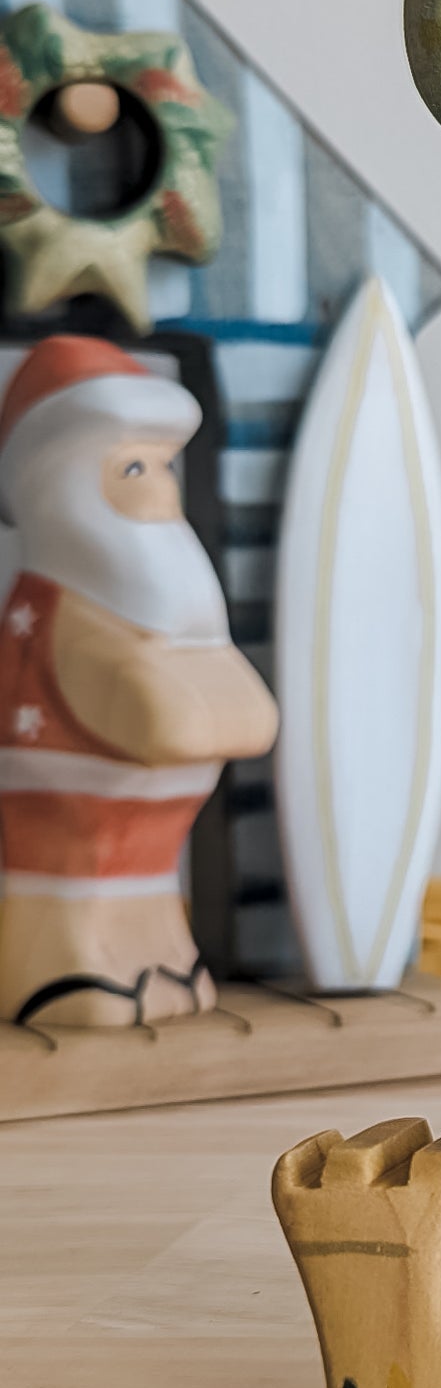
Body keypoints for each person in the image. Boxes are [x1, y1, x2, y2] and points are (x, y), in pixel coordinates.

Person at [0, 336, 278, 1027]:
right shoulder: (65, 613)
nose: (157, 488)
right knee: (78, 920)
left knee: (154, 913)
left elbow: (252, 720)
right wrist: (196, 695)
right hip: (63, 867)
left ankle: (162, 967)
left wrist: (197, 695)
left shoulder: (163, 614)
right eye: (131, 466)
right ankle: (62, 978)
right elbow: (168, 724)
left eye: (161, 465)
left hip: (153, 859)